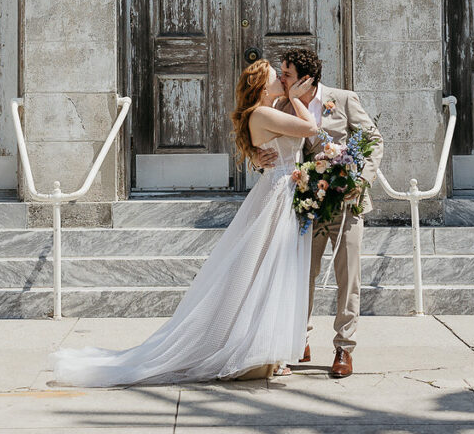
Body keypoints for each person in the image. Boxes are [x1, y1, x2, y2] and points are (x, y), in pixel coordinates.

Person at [50, 59, 318, 387]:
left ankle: (264, 350)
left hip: (281, 192)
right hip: (276, 197)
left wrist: (287, 103)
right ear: (263, 87)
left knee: (270, 271)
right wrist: (296, 100)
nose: (284, 80)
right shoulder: (263, 114)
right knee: (261, 270)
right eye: (278, 77)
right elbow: (311, 129)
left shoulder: (267, 110)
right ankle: (248, 349)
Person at [254, 48, 383, 379]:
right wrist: (257, 159)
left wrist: (361, 180)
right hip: (305, 205)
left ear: (307, 79)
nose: (281, 79)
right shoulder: (281, 105)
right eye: (281, 74)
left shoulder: (343, 99)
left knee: (348, 278)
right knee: (301, 276)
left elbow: (373, 140)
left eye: (287, 74)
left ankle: (344, 347)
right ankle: (300, 339)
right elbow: (261, 140)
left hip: (345, 204)